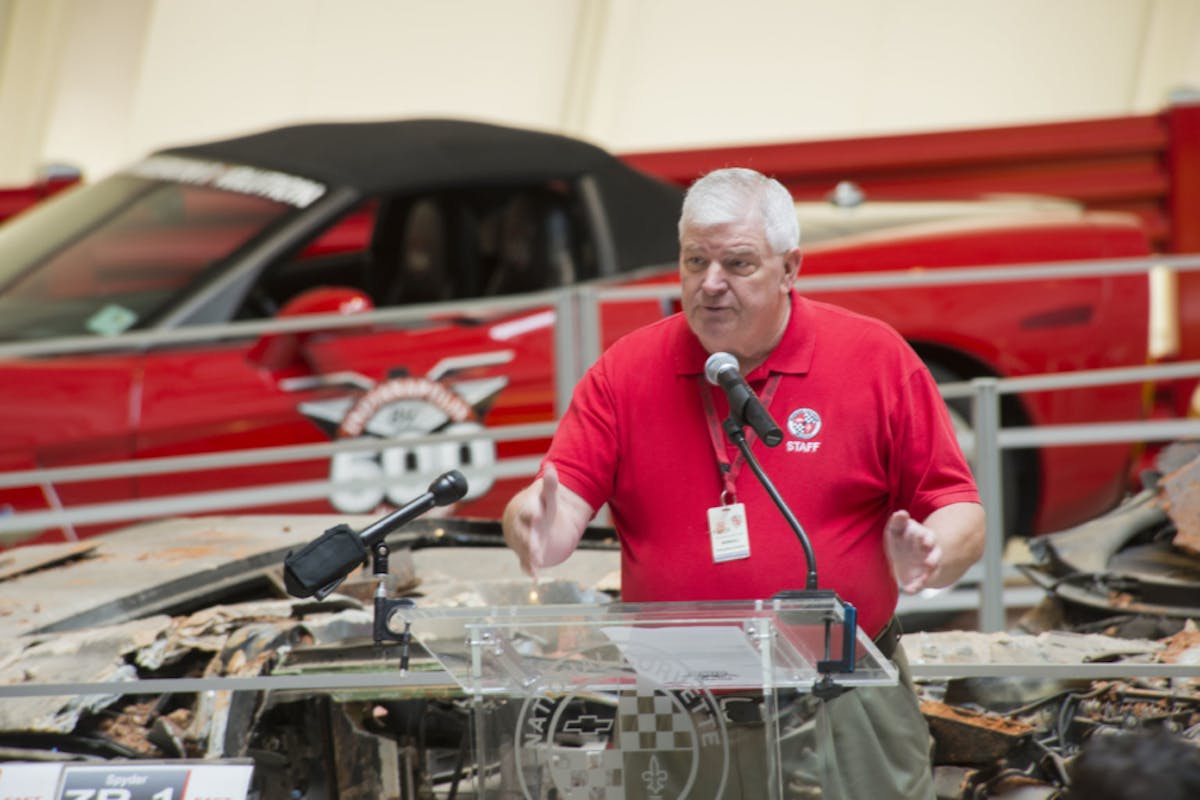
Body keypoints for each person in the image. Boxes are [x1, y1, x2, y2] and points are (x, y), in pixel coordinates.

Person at [502, 166, 986, 798]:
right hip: (672, 711)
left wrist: (934, 550)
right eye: (694, 260)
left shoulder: (873, 359)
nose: (710, 284)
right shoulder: (626, 371)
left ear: (790, 269)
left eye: (737, 263)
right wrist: (537, 523)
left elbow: (958, 508)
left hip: (841, 701)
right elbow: (560, 500)